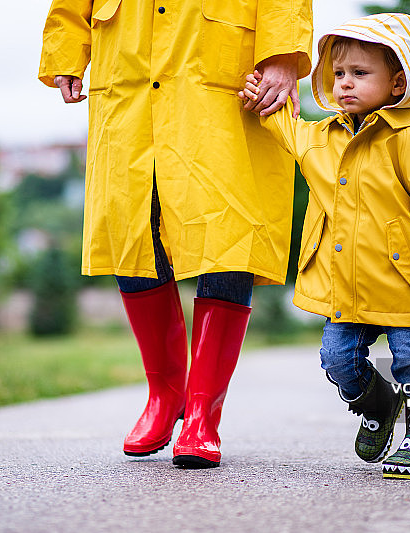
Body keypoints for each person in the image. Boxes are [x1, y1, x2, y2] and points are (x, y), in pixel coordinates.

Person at [38, 1, 313, 468]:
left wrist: (285, 55)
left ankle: (202, 412)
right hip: (127, 70)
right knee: (131, 228)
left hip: (219, 70)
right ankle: (164, 396)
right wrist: (67, 48)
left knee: (229, 233)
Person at [240, 12, 410, 479]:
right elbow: (285, 125)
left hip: (406, 281)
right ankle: (379, 403)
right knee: (337, 359)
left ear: (397, 80)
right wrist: (263, 93)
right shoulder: (321, 139)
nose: (345, 84)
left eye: (360, 74)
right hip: (343, 286)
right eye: (339, 73)